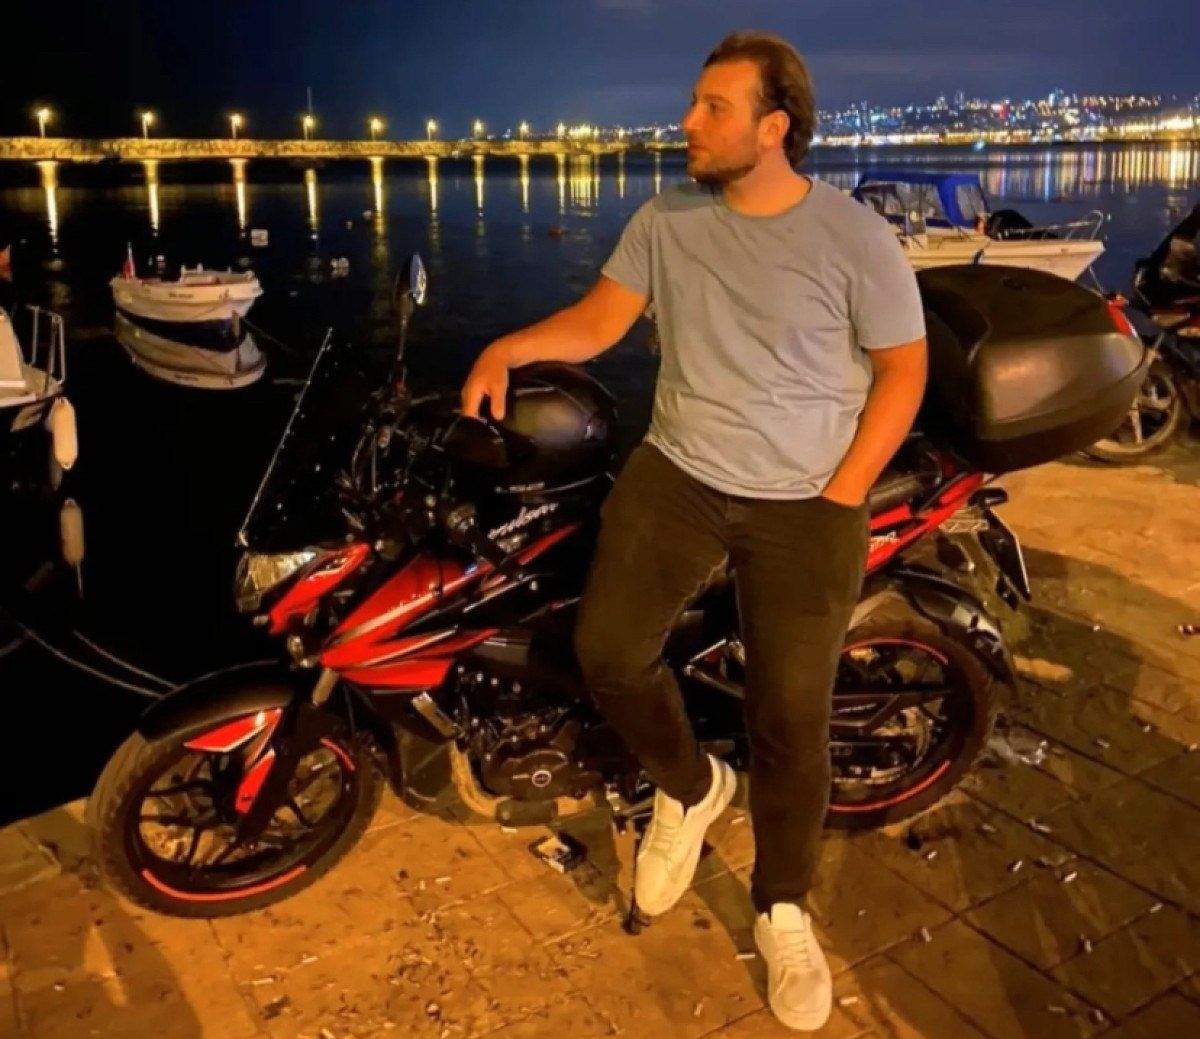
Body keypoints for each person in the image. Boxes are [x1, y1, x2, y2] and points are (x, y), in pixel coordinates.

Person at [461, 31, 927, 1032]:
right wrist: (506, 345)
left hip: (809, 499)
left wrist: (843, 488)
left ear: (774, 127)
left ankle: (783, 905)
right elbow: (599, 322)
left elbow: (904, 370)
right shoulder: (666, 218)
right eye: (693, 102)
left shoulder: (853, 236)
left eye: (714, 107)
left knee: (789, 714)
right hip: (680, 472)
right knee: (607, 650)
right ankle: (690, 786)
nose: (687, 122)